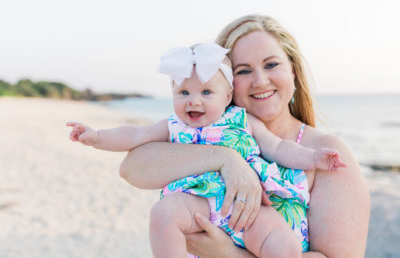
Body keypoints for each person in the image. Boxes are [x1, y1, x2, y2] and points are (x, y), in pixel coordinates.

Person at [119, 15, 370, 257]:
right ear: (223, 82)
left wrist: (228, 255)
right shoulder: (200, 133)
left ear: (293, 72)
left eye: (271, 65)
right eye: (243, 71)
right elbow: (131, 168)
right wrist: (225, 159)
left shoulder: (324, 152)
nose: (260, 81)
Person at [67, 42, 345, 258]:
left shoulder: (242, 120)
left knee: (284, 244)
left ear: (227, 96)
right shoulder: (174, 126)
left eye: (206, 93)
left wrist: (314, 157)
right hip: (196, 203)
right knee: (162, 214)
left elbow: (280, 148)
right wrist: (96, 136)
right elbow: (134, 134)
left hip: (249, 211)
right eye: (184, 93)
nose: (194, 102)